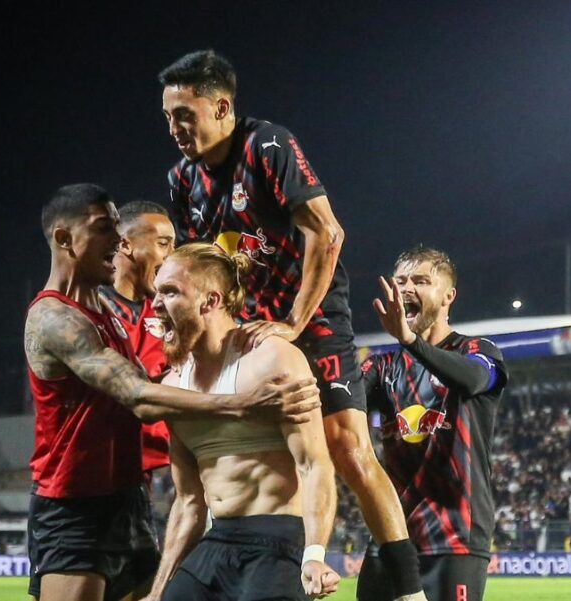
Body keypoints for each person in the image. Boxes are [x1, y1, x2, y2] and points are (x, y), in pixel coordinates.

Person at [160, 50, 424, 599]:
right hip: (247, 324)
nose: (175, 129)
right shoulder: (183, 180)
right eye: (168, 117)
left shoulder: (267, 146)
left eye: (185, 114)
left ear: (223, 106)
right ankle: (238, 556)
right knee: (249, 445)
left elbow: (326, 234)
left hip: (309, 312)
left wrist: (294, 319)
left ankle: (407, 590)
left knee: (346, 446)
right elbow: (197, 266)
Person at [24, 184, 320, 601]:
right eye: (105, 229)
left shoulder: (108, 311)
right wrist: (240, 403)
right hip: (74, 505)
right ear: (63, 238)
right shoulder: (54, 318)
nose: (118, 241)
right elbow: (141, 398)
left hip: (130, 496)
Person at [143, 243, 339, 600]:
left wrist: (313, 556)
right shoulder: (172, 387)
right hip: (217, 539)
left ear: (211, 300)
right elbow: (189, 499)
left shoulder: (273, 360)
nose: (155, 305)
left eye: (170, 291)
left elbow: (314, 465)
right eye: (156, 292)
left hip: (277, 540)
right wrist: (157, 593)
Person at [358, 247, 508, 601]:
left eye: (421, 281)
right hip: (391, 537)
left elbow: (472, 380)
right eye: (400, 281)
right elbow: (339, 404)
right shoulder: (382, 369)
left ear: (448, 296)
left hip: (452, 536)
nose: (407, 288)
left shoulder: (477, 350)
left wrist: (409, 341)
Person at [98, 200, 177, 479]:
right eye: (163, 243)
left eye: (174, 246)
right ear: (125, 245)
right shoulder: (90, 310)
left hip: (162, 468)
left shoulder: (169, 310)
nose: (172, 256)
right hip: (103, 470)